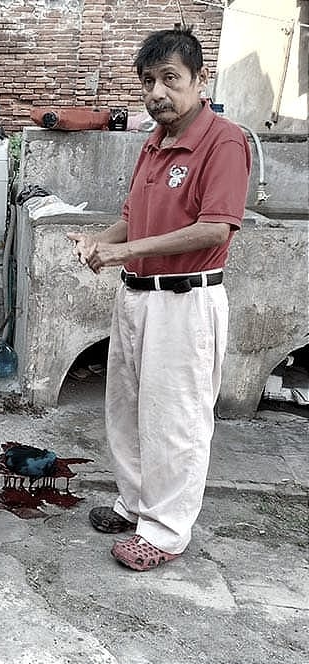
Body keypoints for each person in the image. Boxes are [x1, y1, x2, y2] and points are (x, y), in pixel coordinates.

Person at [66, 26, 251, 571]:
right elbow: (132, 218)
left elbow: (215, 227)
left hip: (185, 302)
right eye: (148, 81)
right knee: (127, 409)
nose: (157, 92)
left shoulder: (224, 141)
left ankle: (166, 531)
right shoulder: (154, 142)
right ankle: (135, 504)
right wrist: (100, 242)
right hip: (137, 296)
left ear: (199, 80)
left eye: (170, 78)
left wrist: (124, 251)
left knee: (176, 419)